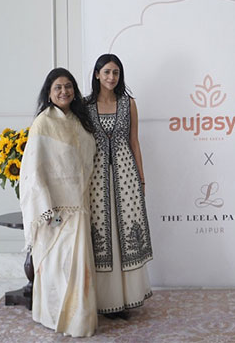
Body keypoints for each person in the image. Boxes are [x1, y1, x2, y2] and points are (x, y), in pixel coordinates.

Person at [19, 68, 98, 337]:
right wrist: (47, 209)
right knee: (56, 268)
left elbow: (86, 162)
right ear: (49, 93)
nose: (64, 92)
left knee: (79, 270)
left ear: (74, 90)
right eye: (58, 88)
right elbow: (33, 170)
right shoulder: (43, 123)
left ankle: (79, 320)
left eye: (68, 87)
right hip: (55, 210)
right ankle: (52, 316)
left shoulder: (78, 121)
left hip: (79, 205)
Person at [85, 54, 153, 317]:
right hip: (97, 178)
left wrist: (142, 178)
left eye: (116, 72)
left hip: (126, 176)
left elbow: (134, 142)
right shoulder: (85, 105)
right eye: (107, 72)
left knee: (126, 233)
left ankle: (129, 298)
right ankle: (105, 301)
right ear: (97, 74)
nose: (111, 77)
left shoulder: (128, 103)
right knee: (103, 233)